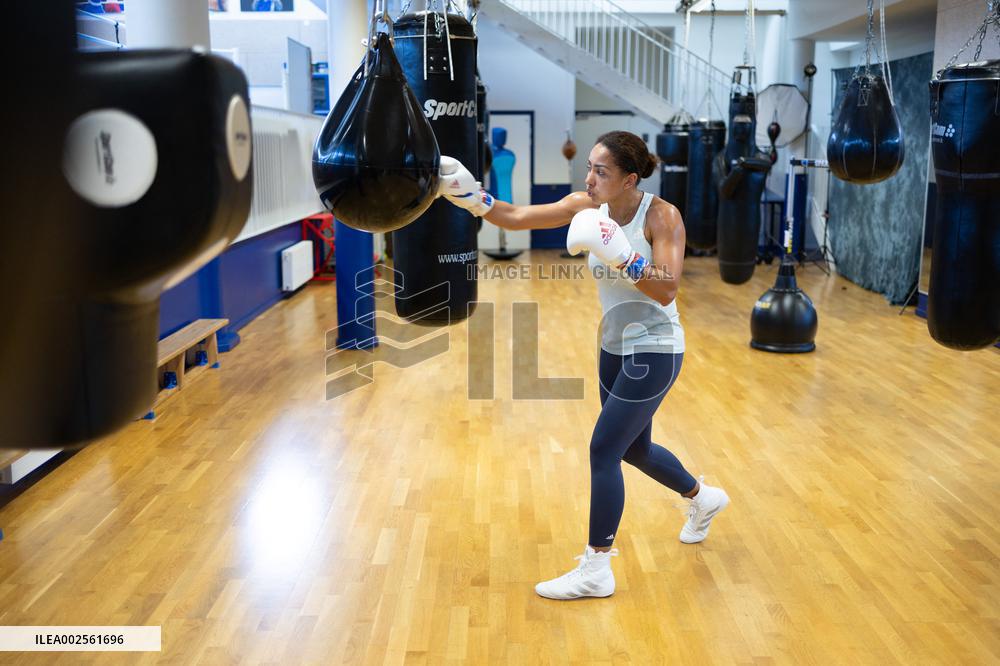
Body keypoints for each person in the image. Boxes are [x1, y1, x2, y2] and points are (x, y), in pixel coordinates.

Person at [437, 131, 730, 600]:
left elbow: (668, 287)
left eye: (601, 171)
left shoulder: (661, 216)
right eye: (589, 167)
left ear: (630, 178)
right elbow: (514, 217)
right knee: (633, 450)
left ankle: (597, 566)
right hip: (613, 346)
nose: (589, 178)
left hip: (655, 346)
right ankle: (703, 497)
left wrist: (623, 254)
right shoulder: (583, 206)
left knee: (603, 450)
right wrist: (472, 197)